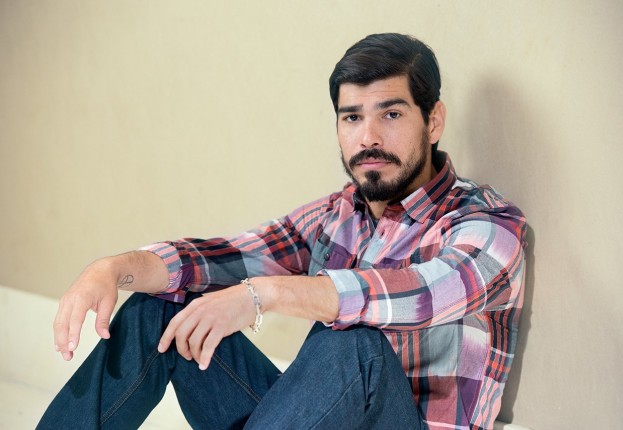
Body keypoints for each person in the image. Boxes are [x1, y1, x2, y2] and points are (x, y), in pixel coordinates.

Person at [39, 33, 526, 430]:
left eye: (391, 114)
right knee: (162, 308)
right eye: (352, 117)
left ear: (433, 121)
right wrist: (114, 269)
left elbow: (420, 293)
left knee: (354, 344)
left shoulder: (488, 226)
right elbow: (224, 256)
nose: (368, 137)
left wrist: (262, 295)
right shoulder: (339, 215)